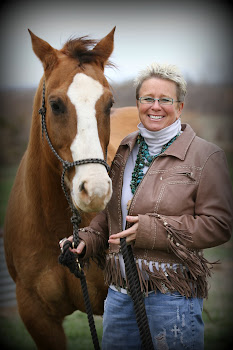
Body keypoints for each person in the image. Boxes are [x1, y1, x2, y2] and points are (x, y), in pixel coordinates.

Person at [60, 63, 233, 349]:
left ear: (179, 107)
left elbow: (219, 226)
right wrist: (85, 240)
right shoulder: (126, 148)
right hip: (119, 295)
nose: (156, 106)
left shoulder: (206, 155)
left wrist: (153, 230)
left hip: (172, 296)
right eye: (147, 99)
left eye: (165, 99)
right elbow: (111, 213)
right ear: (138, 103)